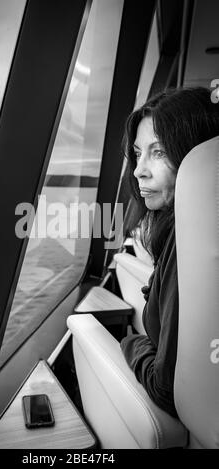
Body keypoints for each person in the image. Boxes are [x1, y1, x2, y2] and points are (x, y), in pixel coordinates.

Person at [120, 87, 219, 418]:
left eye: (159, 153)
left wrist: (130, 343)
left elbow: (167, 388)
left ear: (194, 154)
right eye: (137, 154)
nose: (139, 170)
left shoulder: (192, 233)